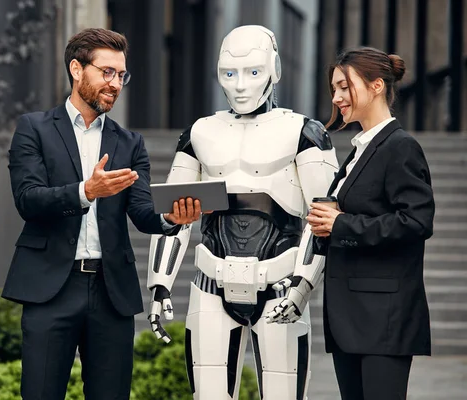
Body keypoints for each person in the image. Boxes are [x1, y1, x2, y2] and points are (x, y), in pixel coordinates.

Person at [1, 28, 202, 400]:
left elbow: (142, 212)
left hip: (112, 294)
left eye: (121, 75)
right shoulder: (34, 129)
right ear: (77, 70)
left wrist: (171, 219)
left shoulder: (130, 143)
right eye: (106, 72)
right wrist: (85, 191)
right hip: (51, 290)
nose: (115, 83)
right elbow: (28, 200)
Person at [146, 25, 339, 399]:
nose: (239, 86)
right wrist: (159, 283)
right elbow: (175, 214)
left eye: (253, 72)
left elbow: (323, 218)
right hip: (210, 285)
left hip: (280, 286)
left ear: (274, 69)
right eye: (229, 74)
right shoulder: (200, 133)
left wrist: (303, 285)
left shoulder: (305, 132)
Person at [306, 47, 435, 400]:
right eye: (334, 89)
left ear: (377, 86)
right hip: (352, 317)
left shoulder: (400, 147)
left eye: (345, 87)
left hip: (383, 319)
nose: (337, 98)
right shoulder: (360, 148)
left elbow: (417, 221)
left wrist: (342, 224)